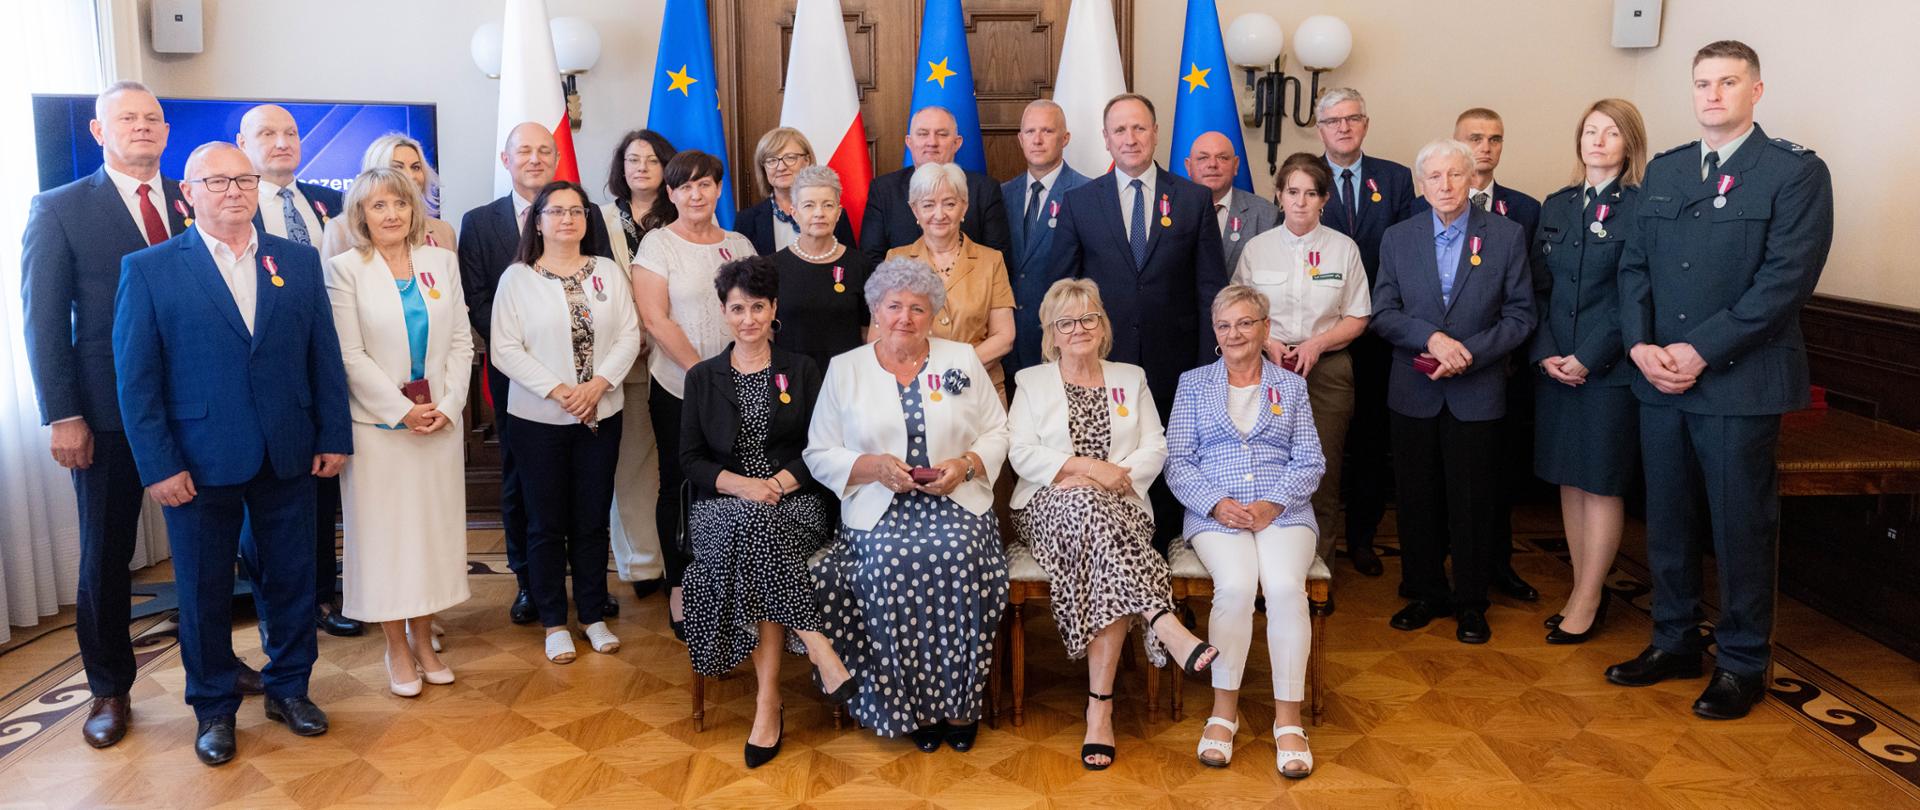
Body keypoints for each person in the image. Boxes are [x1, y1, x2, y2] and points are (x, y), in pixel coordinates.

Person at [1609, 40, 1833, 720]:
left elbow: (1784, 282)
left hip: (1740, 381)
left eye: (1728, 82)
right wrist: (1641, 345)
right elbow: (1634, 268)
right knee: (1668, 520)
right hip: (1659, 379)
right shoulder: (1670, 171)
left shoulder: (1793, 172)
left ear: (1755, 91)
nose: (1712, 94)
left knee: (1740, 527)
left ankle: (1740, 662)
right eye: (1702, 82)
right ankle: (1674, 640)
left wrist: (1699, 350)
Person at [113, 142, 352, 766]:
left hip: (289, 453)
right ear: (187, 193)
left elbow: (322, 355)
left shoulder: (296, 262)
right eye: (216, 182)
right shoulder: (150, 268)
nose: (233, 191)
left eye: (242, 179)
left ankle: (290, 689)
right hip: (196, 462)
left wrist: (332, 435)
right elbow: (136, 381)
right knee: (203, 591)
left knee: (295, 580)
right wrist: (159, 465)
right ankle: (214, 708)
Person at [21, 80, 236, 749]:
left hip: (196, 410)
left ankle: (220, 667)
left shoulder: (191, 199)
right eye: (127, 118)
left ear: (167, 134)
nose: (142, 127)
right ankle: (109, 688)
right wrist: (63, 413)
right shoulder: (58, 209)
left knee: (208, 553)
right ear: (98, 131)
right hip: (105, 412)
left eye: (152, 119)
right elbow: (45, 321)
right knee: (106, 555)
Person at [1007, 278, 1218, 771]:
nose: (1079, 329)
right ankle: (1164, 623)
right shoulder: (1030, 382)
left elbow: (1155, 446)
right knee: (1085, 506)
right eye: (1066, 322)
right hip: (1045, 508)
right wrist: (1088, 469)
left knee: (1097, 527)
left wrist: (1108, 481)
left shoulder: (1131, 376)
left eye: (1088, 318)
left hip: (1119, 507)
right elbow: (1021, 453)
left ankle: (1098, 710)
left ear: (1103, 326)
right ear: (1050, 333)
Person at [805, 258, 1010, 753]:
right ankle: (910, 707)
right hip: (878, 505)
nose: (904, 317)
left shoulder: (961, 359)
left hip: (956, 500)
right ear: (875, 310)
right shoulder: (845, 368)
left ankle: (960, 704)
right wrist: (872, 467)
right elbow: (818, 450)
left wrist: (965, 464)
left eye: (917, 308)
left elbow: (999, 429)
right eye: (893, 306)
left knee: (959, 557)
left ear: (933, 314)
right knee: (888, 564)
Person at [679, 257, 858, 769]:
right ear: (723, 313)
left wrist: (776, 483)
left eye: (758, 307)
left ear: (774, 308)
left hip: (795, 502)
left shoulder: (801, 369)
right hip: (722, 508)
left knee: (758, 533)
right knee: (750, 526)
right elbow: (690, 460)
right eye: (738, 308)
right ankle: (818, 649)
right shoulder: (702, 376)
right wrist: (743, 487)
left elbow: (824, 445)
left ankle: (768, 702)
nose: (749, 318)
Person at [1372, 139, 1535, 645]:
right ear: (1420, 185)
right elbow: (1383, 311)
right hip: (1414, 389)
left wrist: (1468, 352)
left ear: (1471, 180)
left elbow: (1522, 315)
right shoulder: (1398, 238)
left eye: (1454, 175)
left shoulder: (1506, 236)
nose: (1444, 185)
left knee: (1473, 500)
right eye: (1434, 177)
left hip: (1477, 390)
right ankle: (1424, 592)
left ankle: (1471, 602)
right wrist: (1434, 340)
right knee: (1417, 499)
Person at [1048, 92, 1228, 547]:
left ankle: (1166, 550)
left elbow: (1211, 289)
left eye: (1139, 128)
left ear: (1155, 133)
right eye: (1120, 130)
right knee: (1113, 454)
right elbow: (1060, 291)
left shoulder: (1192, 199)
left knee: (1169, 454)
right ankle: (1114, 547)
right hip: (1102, 360)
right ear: (1106, 140)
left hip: (1177, 359)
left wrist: (1211, 363)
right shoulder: (1080, 201)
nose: (1131, 138)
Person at [458, 122, 616, 626]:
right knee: (522, 490)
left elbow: (620, 316)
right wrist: (544, 373)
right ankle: (530, 587)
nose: (534, 158)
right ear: (506, 159)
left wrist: (589, 383)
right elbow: (478, 300)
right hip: (521, 386)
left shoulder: (590, 232)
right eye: (522, 150)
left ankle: (590, 598)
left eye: (544, 150)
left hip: (594, 394)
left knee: (588, 502)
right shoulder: (481, 222)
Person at [1165, 286, 1325, 778]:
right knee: (1234, 588)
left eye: (1245, 322)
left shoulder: (1291, 387)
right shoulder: (1193, 384)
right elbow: (1178, 461)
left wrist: (1272, 503)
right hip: (1216, 512)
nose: (1234, 333)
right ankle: (1222, 712)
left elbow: (1311, 460)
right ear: (1216, 333)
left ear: (1265, 327)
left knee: (1282, 588)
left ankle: (1288, 720)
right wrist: (1217, 502)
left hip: (1284, 509)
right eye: (1224, 325)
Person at [326, 168, 472, 693]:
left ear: (414, 210)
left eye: (400, 204)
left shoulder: (441, 262)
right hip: (379, 430)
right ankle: (396, 648)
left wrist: (447, 406)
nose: (391, 214)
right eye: (378, 206)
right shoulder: (345, 269)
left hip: (438, 425)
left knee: (429, 536)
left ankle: (423, 638)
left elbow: (460, 342)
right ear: (361, 215)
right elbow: (348, 354)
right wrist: (400, 410)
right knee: (386, 541)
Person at [490, 180, 642, 664]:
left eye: (576, 211)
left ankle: (593, 614)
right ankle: (554, 620)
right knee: (545, 522)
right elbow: (504, 349)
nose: (567, 220)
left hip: (601, 412)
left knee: (593, 518)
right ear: (537, 222)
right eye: (555, 212)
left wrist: (597, 385)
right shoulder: (517, 278)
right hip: (538, 419)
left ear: (587, 220)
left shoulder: (608, 272)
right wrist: (560, 392)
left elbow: (629, 334)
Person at [235, 103, 360, 637]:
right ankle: (275, 615)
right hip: (264, 380)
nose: (282, 141)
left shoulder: (329, 203)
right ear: (243, 144)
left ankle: (322, 600)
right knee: (262, 510)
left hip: (327, 368)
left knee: (322, 488)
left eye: (290, 132)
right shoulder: (235, 209)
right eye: (267, 133)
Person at [1529, 99, 1650, 645]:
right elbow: (1537, 288)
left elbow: (1639, 297)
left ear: (1629, 143)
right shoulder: (1556, 205)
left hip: (1610, 371)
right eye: (1589, 132)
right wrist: (1548, 351)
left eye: (1610, 133)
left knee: (1600, 482)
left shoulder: (1644, 209)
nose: (1597, 141)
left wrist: (1590, 356)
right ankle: (1583, 584)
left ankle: (1589, 595)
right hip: (1557, 367)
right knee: (1570, 479)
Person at [632, 150, 759, 639]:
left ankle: (736, 587)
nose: (696, 194)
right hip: (678, 385)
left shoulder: (741, 243)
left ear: (719, 189)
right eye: (685, 186)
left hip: (742, 385)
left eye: (705, 184)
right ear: (671, 194)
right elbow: (655, 319)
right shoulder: (657, 245)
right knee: (679, 486)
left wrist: (732, 377)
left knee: (738, 481)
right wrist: (704, 374)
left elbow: (756, 311)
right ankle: (682, 588)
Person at [1232, 153, 1372, 563]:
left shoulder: (1343, 249)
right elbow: (1238, 310)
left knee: (1320, 473)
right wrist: (1267, 341)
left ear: (1324, 199)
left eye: (1311, 193)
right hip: (1266, 367)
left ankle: (1319, 573)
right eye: (1292, 192)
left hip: (1326, 368)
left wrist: (1317, 344)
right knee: (1265, 467)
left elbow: (1359, 314)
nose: (1300, 201)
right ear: (1278, 196)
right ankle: (1266, 570)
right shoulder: (1257, 249)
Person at [1313, 87, 1416, 578]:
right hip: (1319, 338)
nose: (1344, 127)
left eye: (1352, 118)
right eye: (1334, 121)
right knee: (1321, 446)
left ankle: (1363, 539)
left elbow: (1408, 252)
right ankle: (1314, 544)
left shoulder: (1394, 179)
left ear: (1365, 123)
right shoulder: (1303, 178)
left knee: (1372, 440)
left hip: (1379, 332)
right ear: (1320, 130)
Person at [600, 129, 677, 600]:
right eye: (632, 159)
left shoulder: (683, 214)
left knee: (669, 461)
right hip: (619, 355)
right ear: (621, 168)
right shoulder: (598, 218)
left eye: (652, 159)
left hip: (672, 353)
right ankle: (641, 563)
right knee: (630, 463)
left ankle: (677, 560)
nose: (642, 167)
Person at [885, 162, 1016, 401]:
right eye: (928, 204)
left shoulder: (991, 261)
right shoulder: (896, 260)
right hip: (914, 390)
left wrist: (954, 369)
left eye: (949, 203)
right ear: (915, 210)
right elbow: (882, 333)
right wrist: (923, 371)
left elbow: (1004, 336)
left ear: (964, 207)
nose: (939, 214)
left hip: (980, 390)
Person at [1001, 99, 1090, 375]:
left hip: (1061, 338)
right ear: (1020, 139)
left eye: (1047, 131)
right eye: (1030, 132)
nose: (1037, 140)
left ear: (1065, 138)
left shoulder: (1087, 193)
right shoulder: (1002, 194)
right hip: (1006, 339)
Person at [860, 105, 1010, 264]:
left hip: (969, 287)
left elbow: (997, 259)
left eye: (942, 134)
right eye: (923, 134)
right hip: (901, 287)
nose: (932, 142)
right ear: (909, 142)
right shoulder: (883, 190)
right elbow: (870, 259)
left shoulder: (985, 190)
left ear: (957, 143)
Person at [771, 165, 872, 369]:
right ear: (794, 212)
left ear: (838, 212)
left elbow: (867, 332)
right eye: (809, 205)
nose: (819, 213)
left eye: (828, 205)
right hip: (791, 383)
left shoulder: (860, 265)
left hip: (846, 381)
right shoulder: (772, 267)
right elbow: (768, 335)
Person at [319, 133, 456, 259]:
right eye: (398, 167)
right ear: (376, 172)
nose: (410, 176)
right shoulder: (340, 230)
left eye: (415, 167)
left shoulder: (444, 231)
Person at [737, 126, 856, 256]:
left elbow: (848, 265)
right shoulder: (746, 220)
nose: (781, 167)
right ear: (763, 168)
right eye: (772, 160)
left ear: (807, 161)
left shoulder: (832, 214)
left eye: (790, 157)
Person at [1184, 130, 1279, 278]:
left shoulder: (1266, 215)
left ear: (1235, 165)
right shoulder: (1171, 210)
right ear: (1188, 167)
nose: (1212, 164)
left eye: (1222, 158)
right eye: (1203, 158)